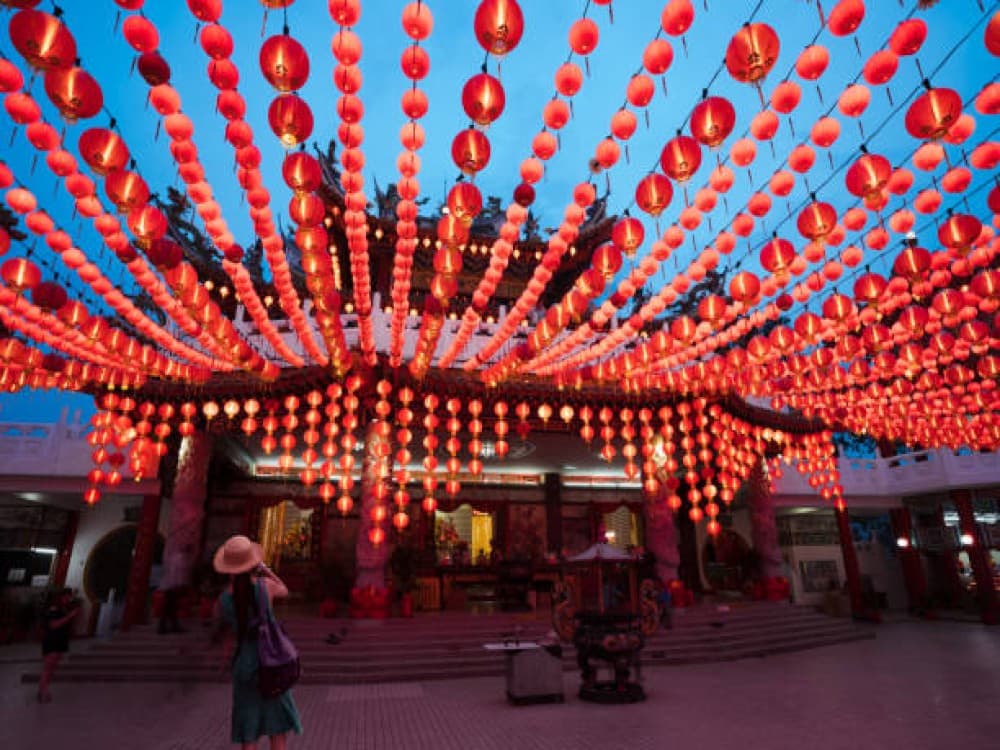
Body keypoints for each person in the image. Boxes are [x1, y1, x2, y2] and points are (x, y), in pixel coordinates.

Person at [214, 535, 302, 750]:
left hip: (244, 664)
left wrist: (225, 661)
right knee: (277, 729)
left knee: (248, 730)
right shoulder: (265, 587)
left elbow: (228, 636)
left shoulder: (223, 600)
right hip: (271, 663)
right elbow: (285, 589)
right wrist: (264, 569)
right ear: (251, 562)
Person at [37, 588, 81, 703]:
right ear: (60, 597)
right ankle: (43, 692)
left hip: (60, 641)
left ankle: (43, 689)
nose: (68, 599)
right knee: (48, 667)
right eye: (66, 596)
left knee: (52, 669)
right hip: (52, 640)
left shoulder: (63, 609)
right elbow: (53, 625)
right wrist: (70, 616)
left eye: (69, 597)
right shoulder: (54, 609)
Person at [159, 542, 191, 634]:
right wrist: (179, 584)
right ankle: (166, 626)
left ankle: (169, 626)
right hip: (173, 585)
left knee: (170, 607)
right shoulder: (180, 558)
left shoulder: (175, 557)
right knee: (170, 606)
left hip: (170, 585)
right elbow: (177, 574)